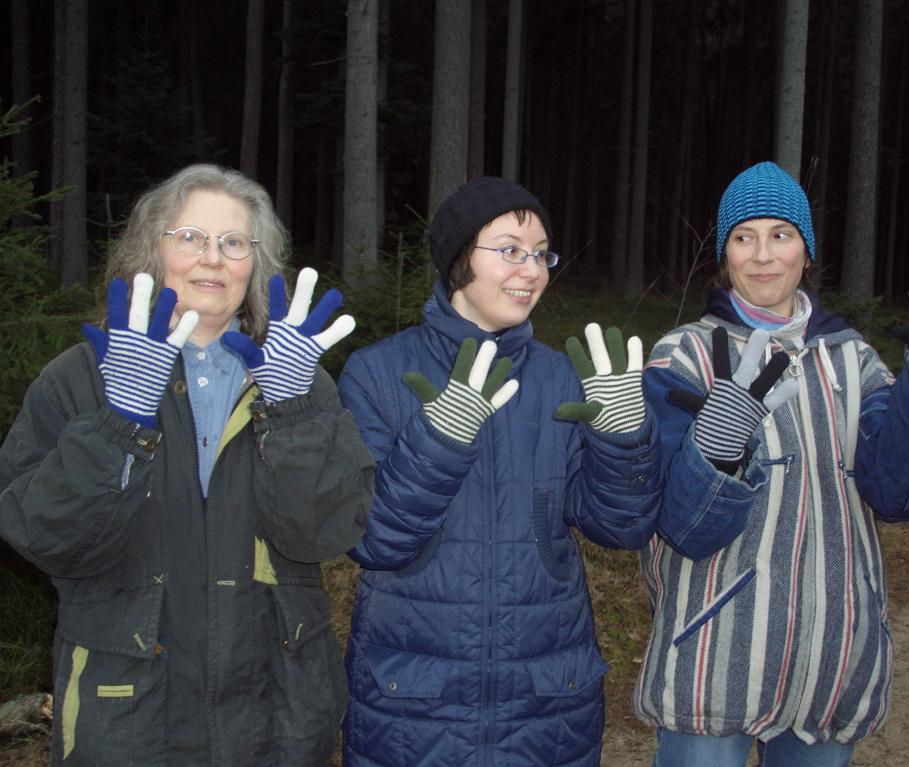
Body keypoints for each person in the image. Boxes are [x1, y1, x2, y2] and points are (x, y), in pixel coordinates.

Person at [633, 161, 909, 766]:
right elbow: (681, 524)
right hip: (715, 652)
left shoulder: (852, 359)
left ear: (806, 253)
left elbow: (904, 491)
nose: (763, 255)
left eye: (781, 235)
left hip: (831, 652)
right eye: (743, 236)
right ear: (723, 253)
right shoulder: (682, 356)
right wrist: (720, 449)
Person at [0, 164, 376, 765]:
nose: (213, 258)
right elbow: (45, 535)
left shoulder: (296, 382)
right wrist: (119, 421)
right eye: (190, 237)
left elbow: (325, 532)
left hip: (273, 713)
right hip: (128, 716)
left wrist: (291, 410)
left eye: (234, 243)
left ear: (256, 264)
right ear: (152, 248)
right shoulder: (81, 378)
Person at [337, 176, 664, 766]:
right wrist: (441, 436)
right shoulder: (376, 374)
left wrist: (623, 439)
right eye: (510, 249)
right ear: (460, 257)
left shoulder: (561, 378)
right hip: (414, 695)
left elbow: (621, 528)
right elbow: (374, 539)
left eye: (541, 254)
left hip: (545, 694)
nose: (532, 270)